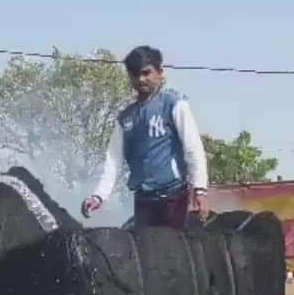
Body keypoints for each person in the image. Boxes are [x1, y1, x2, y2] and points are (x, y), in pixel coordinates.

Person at [81, 45, 209, 229]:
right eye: (135, 75)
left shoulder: (174, 105)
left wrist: (200, 190)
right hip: (143, 200)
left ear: (160, 73)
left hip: (173, 198)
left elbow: (193, 149)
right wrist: (99, 196)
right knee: (145, 253)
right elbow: (113, 162)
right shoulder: (125, 118)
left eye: (146, 73)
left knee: (171, 252)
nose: (141, 79)